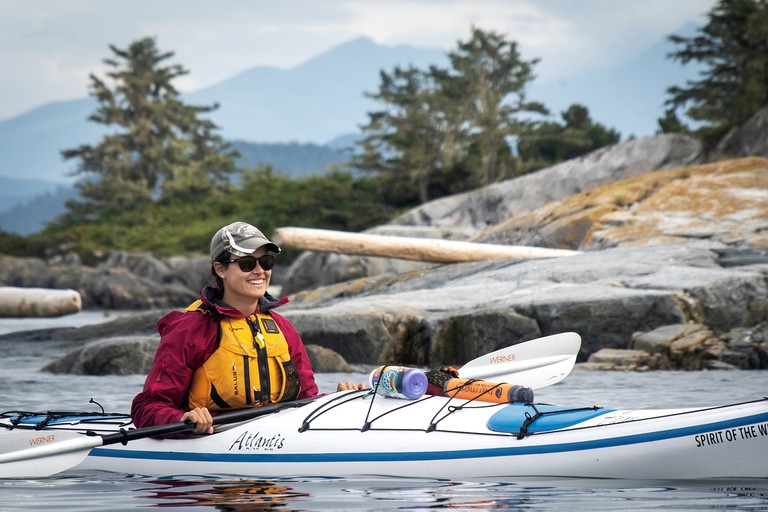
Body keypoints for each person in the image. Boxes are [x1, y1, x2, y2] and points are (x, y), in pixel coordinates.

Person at [131, 221, 363, 434]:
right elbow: (147, 407)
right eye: (247, 263)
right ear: (220, 269)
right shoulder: (191, 329)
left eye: (266, 262)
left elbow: (306, 399)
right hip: (209, 441)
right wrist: (184, 418)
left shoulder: (282, 328)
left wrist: (338, 398)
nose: (259, 271)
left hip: (275, 435)